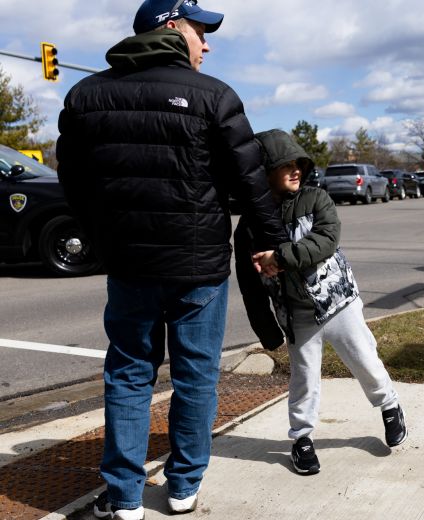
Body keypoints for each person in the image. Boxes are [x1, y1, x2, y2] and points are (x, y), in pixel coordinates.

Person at [56, 1, 287, 518]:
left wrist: (101, 237)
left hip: (130, 264)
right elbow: (250, 180)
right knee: (197, 374)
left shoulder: (85, 95)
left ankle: (124, 497)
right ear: (171, 28)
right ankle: (183, 486)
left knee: (130, 373)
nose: (207, 43)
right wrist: (273, 244)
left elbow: (73, 181)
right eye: (200, 31)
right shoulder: (215, 96)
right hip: (198, 266)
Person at [234, 129, 408, 476]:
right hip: (297, 314)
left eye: (299, 163)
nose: (296, 170)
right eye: (286, 165)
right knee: (303, 379)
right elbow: (249, 286)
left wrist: (281, 258)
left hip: (338, 301)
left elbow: (325, 242)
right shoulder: (248, 228)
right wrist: (266, 329)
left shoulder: (316, 200)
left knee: (364, 360)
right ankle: (301, 439)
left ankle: (389, 405)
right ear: (264, 171)